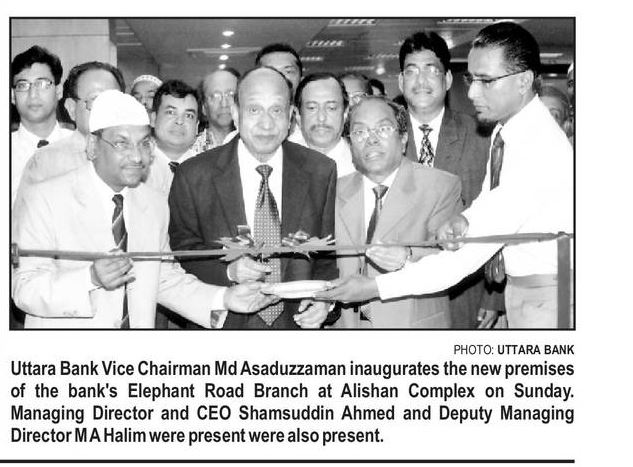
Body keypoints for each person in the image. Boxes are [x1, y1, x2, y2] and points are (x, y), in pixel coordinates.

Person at [317, 21, 573, 329]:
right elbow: (492, 200)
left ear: (523, 81)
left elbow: (469, 255)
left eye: (486, 81)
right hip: (524, 289)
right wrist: (464, 219)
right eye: (471, 79)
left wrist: (375, 287)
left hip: (550, 292)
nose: (473, 92)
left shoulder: (538, 147)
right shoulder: (506, 131)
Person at [12, 90, 272, 329]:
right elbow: (24, 288)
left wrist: (224, 298)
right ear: (92, 146)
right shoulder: (45, 198)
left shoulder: (154, 203)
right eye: (122, 143)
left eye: (144, 143)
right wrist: (90, 278)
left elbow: (164, 279)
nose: (137, 157)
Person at [168, 66, 337, 329]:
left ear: (291, 116)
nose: (266, 124)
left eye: (277, 110)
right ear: (236, 113)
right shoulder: (193, 175)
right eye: (255, 110)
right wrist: (228, 270)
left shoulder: (320, 171)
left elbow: (327, 255)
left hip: (296, 325)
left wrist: (325, 301)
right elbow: (181, 250)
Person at [332, 96, 461, 328]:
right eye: (360, 132)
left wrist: (407, 256)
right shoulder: (333, 191)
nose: (371, 139)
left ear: (403, 138)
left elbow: (455, 258)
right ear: (350, 145)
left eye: (382, 129)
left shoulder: (440, 186)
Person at [398, 31, 496, 328]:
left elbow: (498, 216)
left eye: (431, 70)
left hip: (464, 294)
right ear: (400, 81)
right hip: (398, 292)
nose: (421, 80)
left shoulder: (482, 136)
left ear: (448, 79)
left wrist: (494, 297)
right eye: (411, 71)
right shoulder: (383, 138)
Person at [16, 61, 126, 197]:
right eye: (95, 100)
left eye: (114, 100)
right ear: (71, 108)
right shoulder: (44, 163)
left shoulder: (142, 158)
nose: (107, 109)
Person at [11, 45, 73, 205]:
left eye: (42, 84)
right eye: (23, 85)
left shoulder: (81, 147)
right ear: (12, 96)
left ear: (58, 91)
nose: (33, 94)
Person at [290, 72, 356, 177]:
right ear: (298, 114)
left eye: (331, 108)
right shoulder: (280, 161)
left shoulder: (361, 165)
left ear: (345, 113)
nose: (321, 118)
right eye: (312, 108)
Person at [144, 80, 202, 196]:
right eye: (170, 112)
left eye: (188, 115)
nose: (180, 121)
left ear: (196, 127)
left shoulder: (207, 170)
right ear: (153, 119)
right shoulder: (137, 166)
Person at [195, 68, 240, 152]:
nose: (224, 104)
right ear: (204, 107)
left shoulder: (254, 145)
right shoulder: (190, 151)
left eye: (231, 95)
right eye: (215, 96)